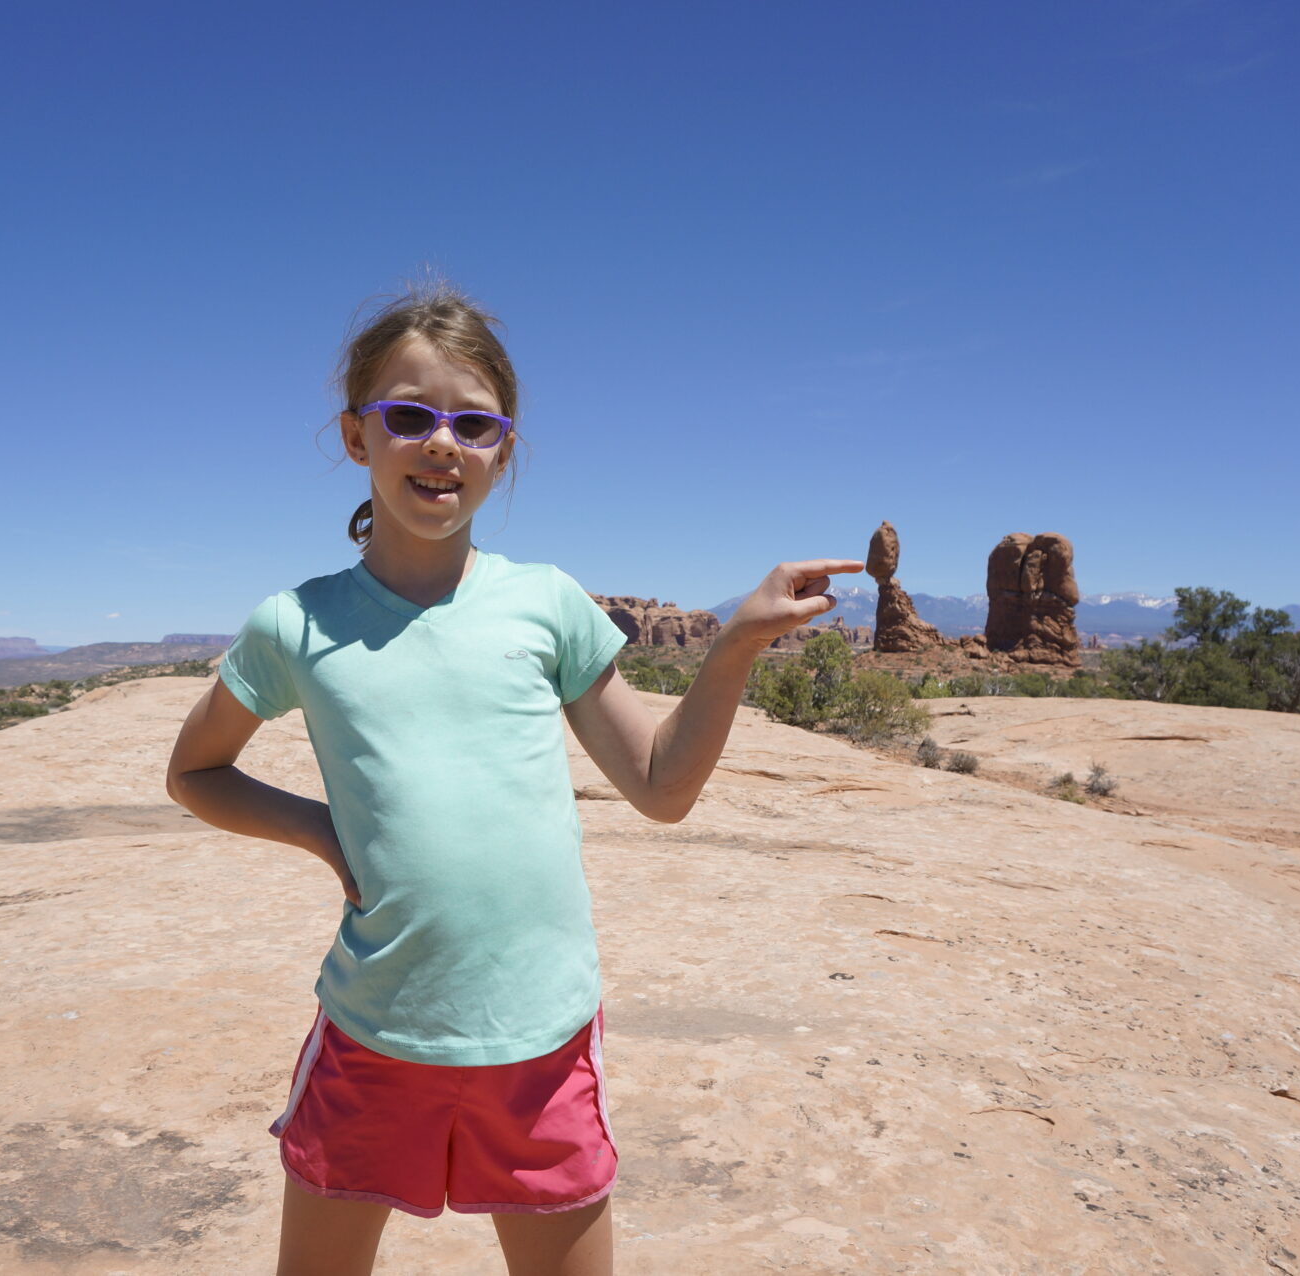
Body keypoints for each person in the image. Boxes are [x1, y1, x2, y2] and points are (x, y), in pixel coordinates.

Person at [164, 284, 864, 1276]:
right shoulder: (298, 624)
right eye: (408, 415)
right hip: (373, 1038)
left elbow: (662, 786)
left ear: (505, 447)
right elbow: (196, 770)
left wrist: (736, 647)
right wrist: (323, 831)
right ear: (357, 437)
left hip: (542, 1046)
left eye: (473, 423)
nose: (440, 442)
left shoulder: (546, 604)